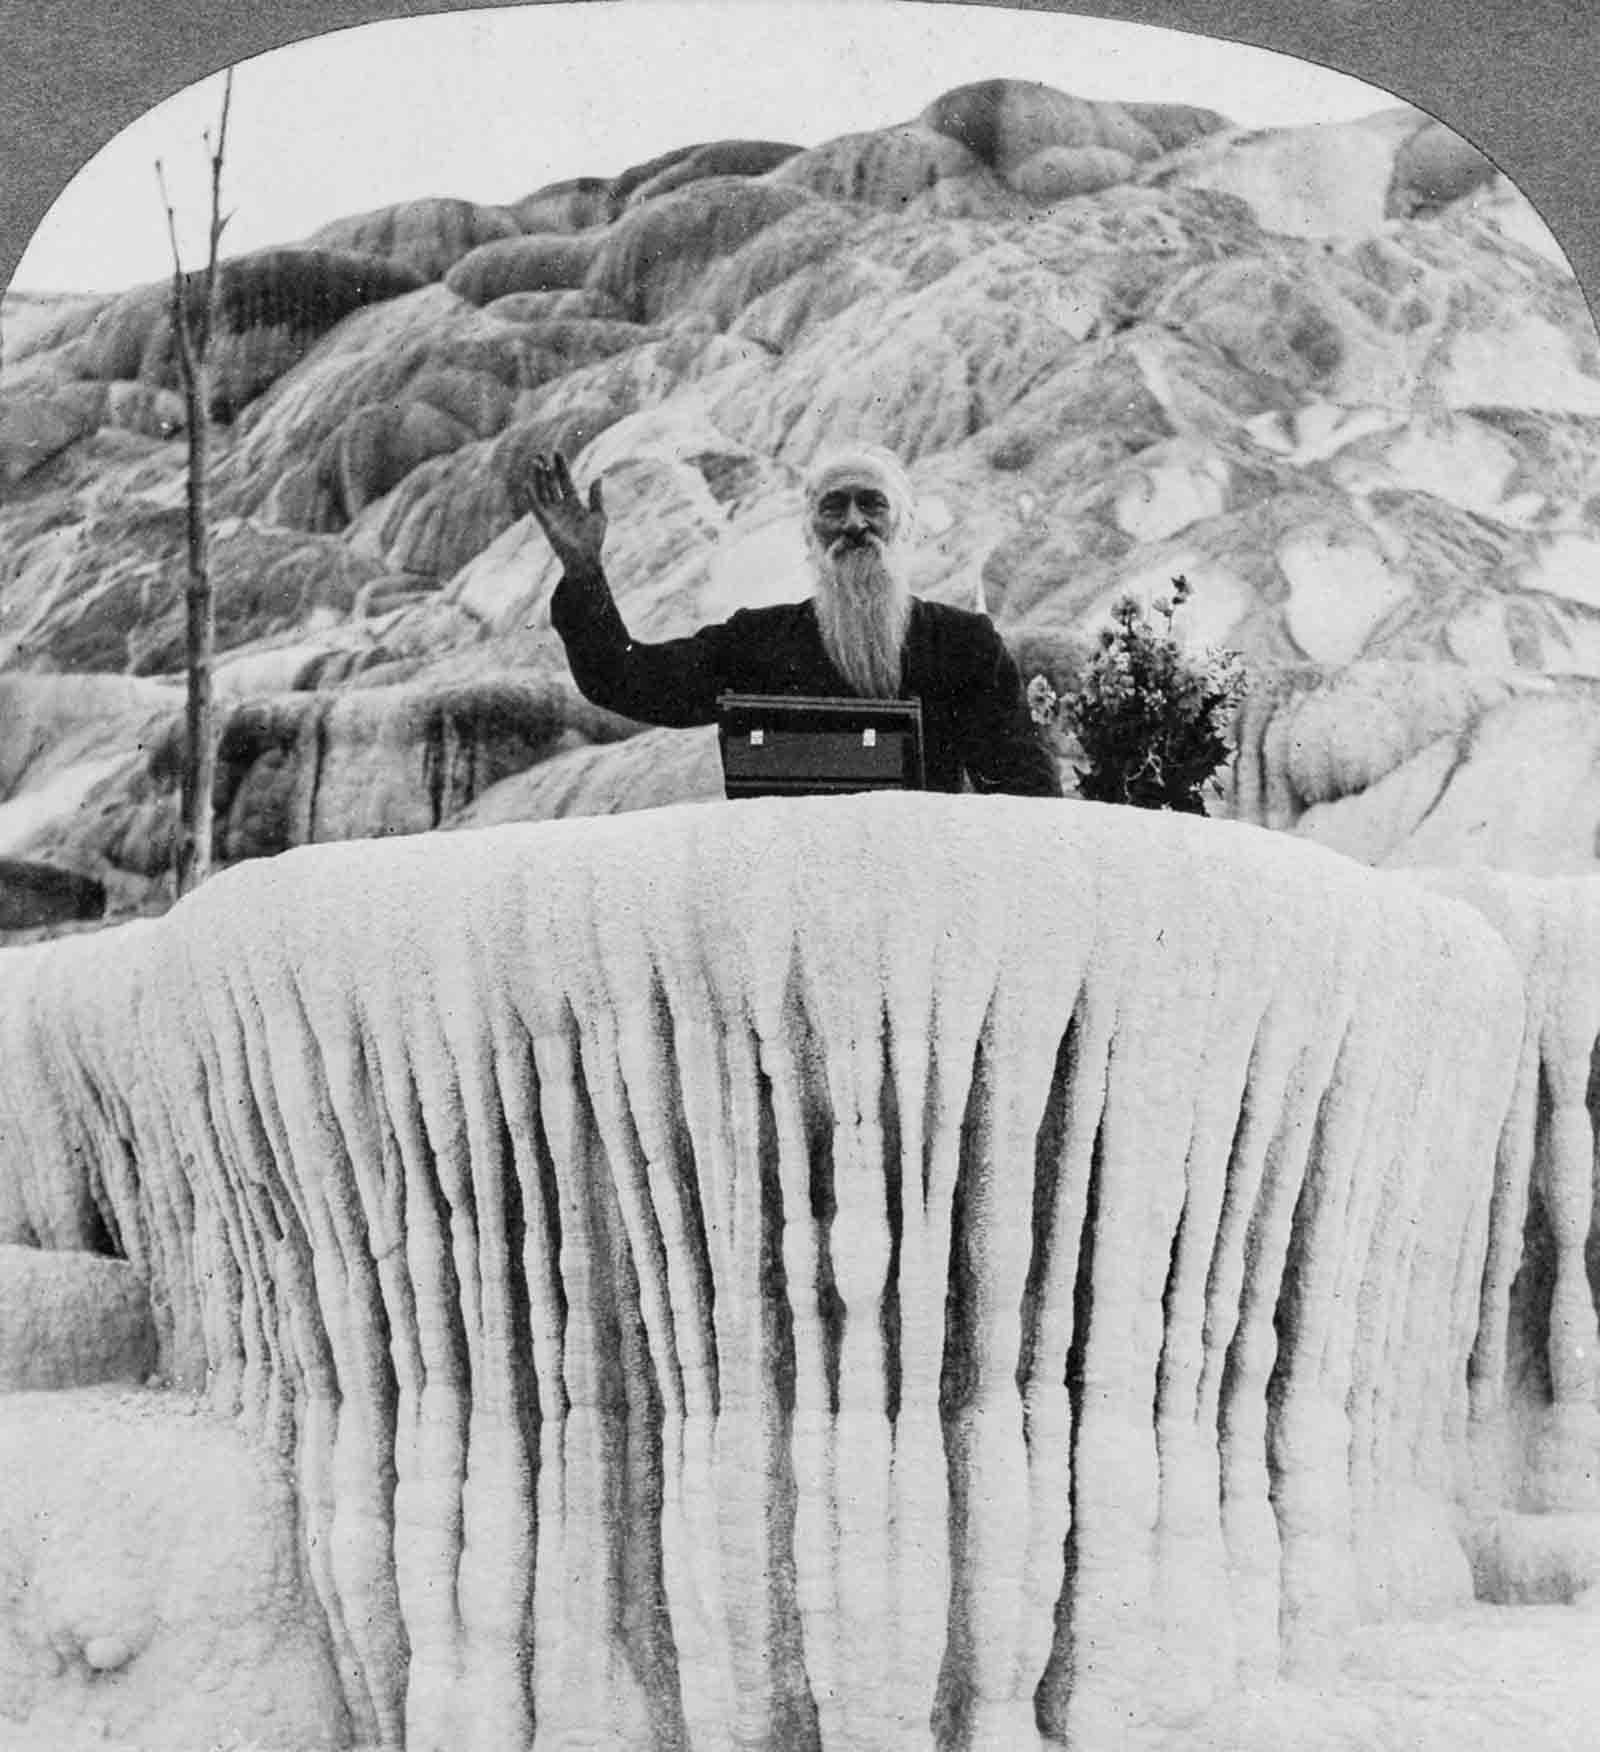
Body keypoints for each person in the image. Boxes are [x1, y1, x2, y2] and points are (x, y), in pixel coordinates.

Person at [518, 444, 1062, 797]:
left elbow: (1025, 790)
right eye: (834, 507)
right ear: (808, 534)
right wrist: (584, 573)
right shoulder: (759, 641)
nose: (854, 524)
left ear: (905, 527)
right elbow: (627, 680)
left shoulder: (962, 644)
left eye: (873, 505)